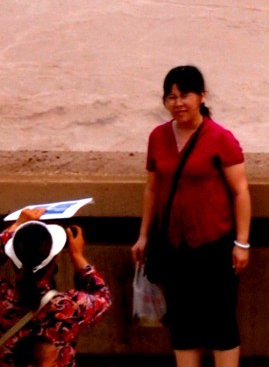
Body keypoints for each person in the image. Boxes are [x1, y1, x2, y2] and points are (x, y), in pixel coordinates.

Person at [131, 66, 251, 367]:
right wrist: (144, 235)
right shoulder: (158, 137)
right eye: (170, 97)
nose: (178, 103)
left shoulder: (220, 138)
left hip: (214, 243)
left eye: (185, 95)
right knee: (182, 321)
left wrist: (242, 243)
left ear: (201, 97)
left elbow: (240, 191)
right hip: (173, 245)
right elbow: (152, 189)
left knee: (221, 319)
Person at [0, 218, 111, 367]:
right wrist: (77, 256)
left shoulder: (3, 299)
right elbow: (103, 296)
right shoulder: (69, 307)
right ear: (54, 261)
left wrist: (16, 225)